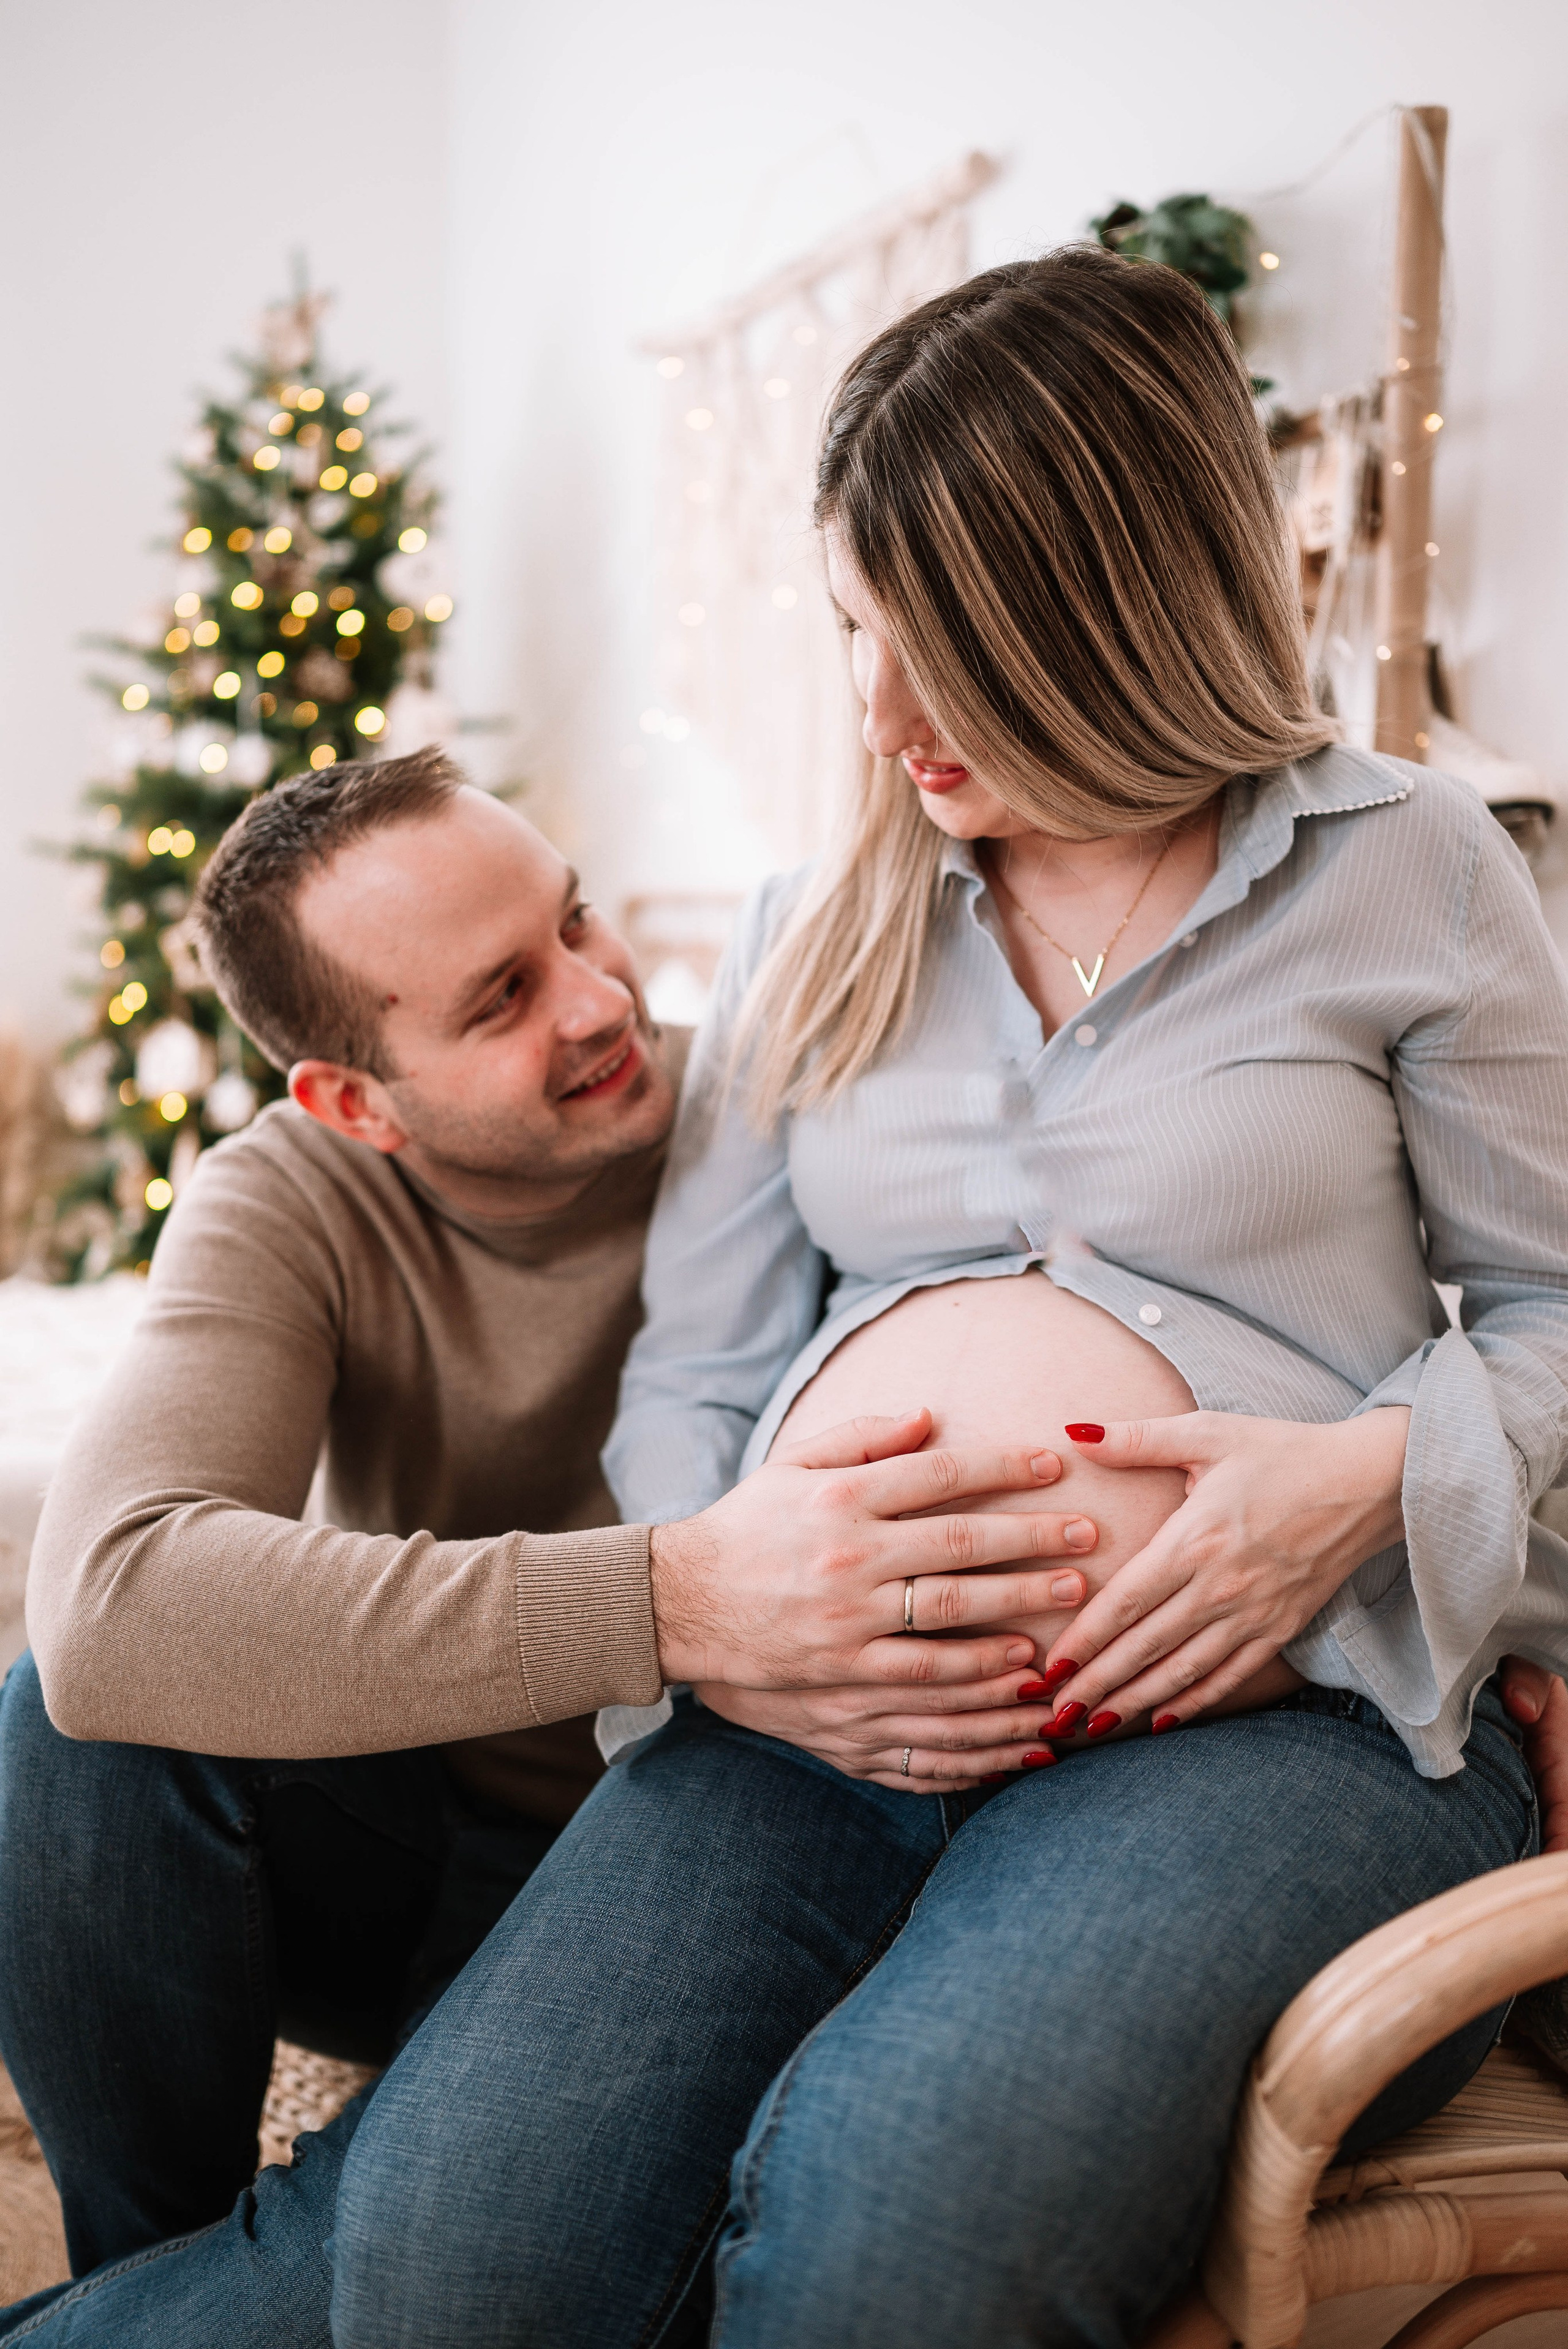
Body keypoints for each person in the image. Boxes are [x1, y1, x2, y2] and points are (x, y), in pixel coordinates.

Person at [317, 249, 1568, 2349]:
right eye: (855, 641)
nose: (886, 724)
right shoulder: (823, 917)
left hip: (1278, 1716)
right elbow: (696, 1374)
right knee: (448, 2264)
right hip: (806, 1721)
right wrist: (731, 1626)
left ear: (1116, 613)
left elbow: (1552, 1307)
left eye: (953, 654)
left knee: (902, 2243)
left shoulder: (1414, 865)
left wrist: (1359, 1476)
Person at [0, 752, 1099, 2342]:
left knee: (412, 2259)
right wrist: (677, 1594)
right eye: (502, 996)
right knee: (66, 1728)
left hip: (715, 1868)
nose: (598, 1002)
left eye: (579, 922)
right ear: (353, 1103)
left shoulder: (798, 1118)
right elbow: (113, 1605)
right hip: (427, 1840)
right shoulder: (289, 1198)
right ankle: (148, 2263)